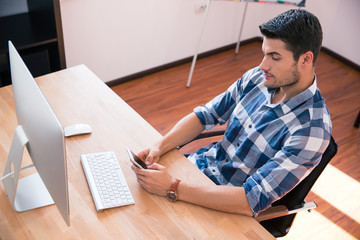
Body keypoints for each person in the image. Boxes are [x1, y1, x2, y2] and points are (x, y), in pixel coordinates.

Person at [131, 9, 332, 217]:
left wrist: (173, 188)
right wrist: (159, 146)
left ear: (306, 60)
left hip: (225, 207)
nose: (263, 65)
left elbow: (250, 200)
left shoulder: (312, 129)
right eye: (264, 53)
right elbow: (205, 116)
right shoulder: (257, 78)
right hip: (197, 171)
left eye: (275, 57)